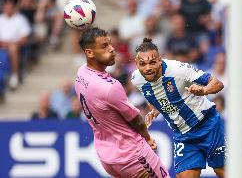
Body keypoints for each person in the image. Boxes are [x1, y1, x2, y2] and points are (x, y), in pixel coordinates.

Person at [74, 27, 170, 178]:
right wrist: (147, 137)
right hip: (133, 155)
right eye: (104, 46)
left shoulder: (81, 73)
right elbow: (135, 119)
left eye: (110, 44)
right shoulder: (110, 87)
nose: (112, 49)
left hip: (108, 157)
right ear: (89, 52)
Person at [131, 38, 225, 178]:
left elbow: (217, 84)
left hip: (208, 125)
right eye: (142, 64)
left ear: (159, 60)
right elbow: (156, 96)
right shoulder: (136, 79)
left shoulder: (178, 70)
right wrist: (156, 110)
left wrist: (204, 90)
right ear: (136, 63)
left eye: (152, 62)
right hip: (182, 135)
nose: (148, 68)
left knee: (223, 171)